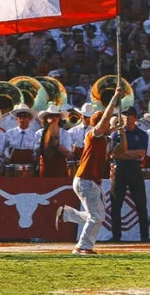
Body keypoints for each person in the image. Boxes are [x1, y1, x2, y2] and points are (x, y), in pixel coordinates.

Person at [56, 84, 123, 255]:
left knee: (97, 214)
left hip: (88, 179)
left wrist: (117, 132)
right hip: (87, 179)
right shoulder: (95, 134)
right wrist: (114, 100)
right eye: (108, 122)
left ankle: (68, 214)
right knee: (97, 216)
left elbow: (108, 152)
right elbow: (106, 118)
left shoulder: (101, 138)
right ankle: (83, 246)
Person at [109, 105, 150, 242]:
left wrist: (124, 153)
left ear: (135, 118)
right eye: (125, 116)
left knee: (140, 204)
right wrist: (130, 154)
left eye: (130, 116)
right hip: (119, 169)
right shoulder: (116, 134)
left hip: (134, 169)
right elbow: (113, 154)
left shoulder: (142, 134)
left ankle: (144, 236)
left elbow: (141, 153)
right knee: (116, 203)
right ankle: (116, 236)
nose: (127, 119)